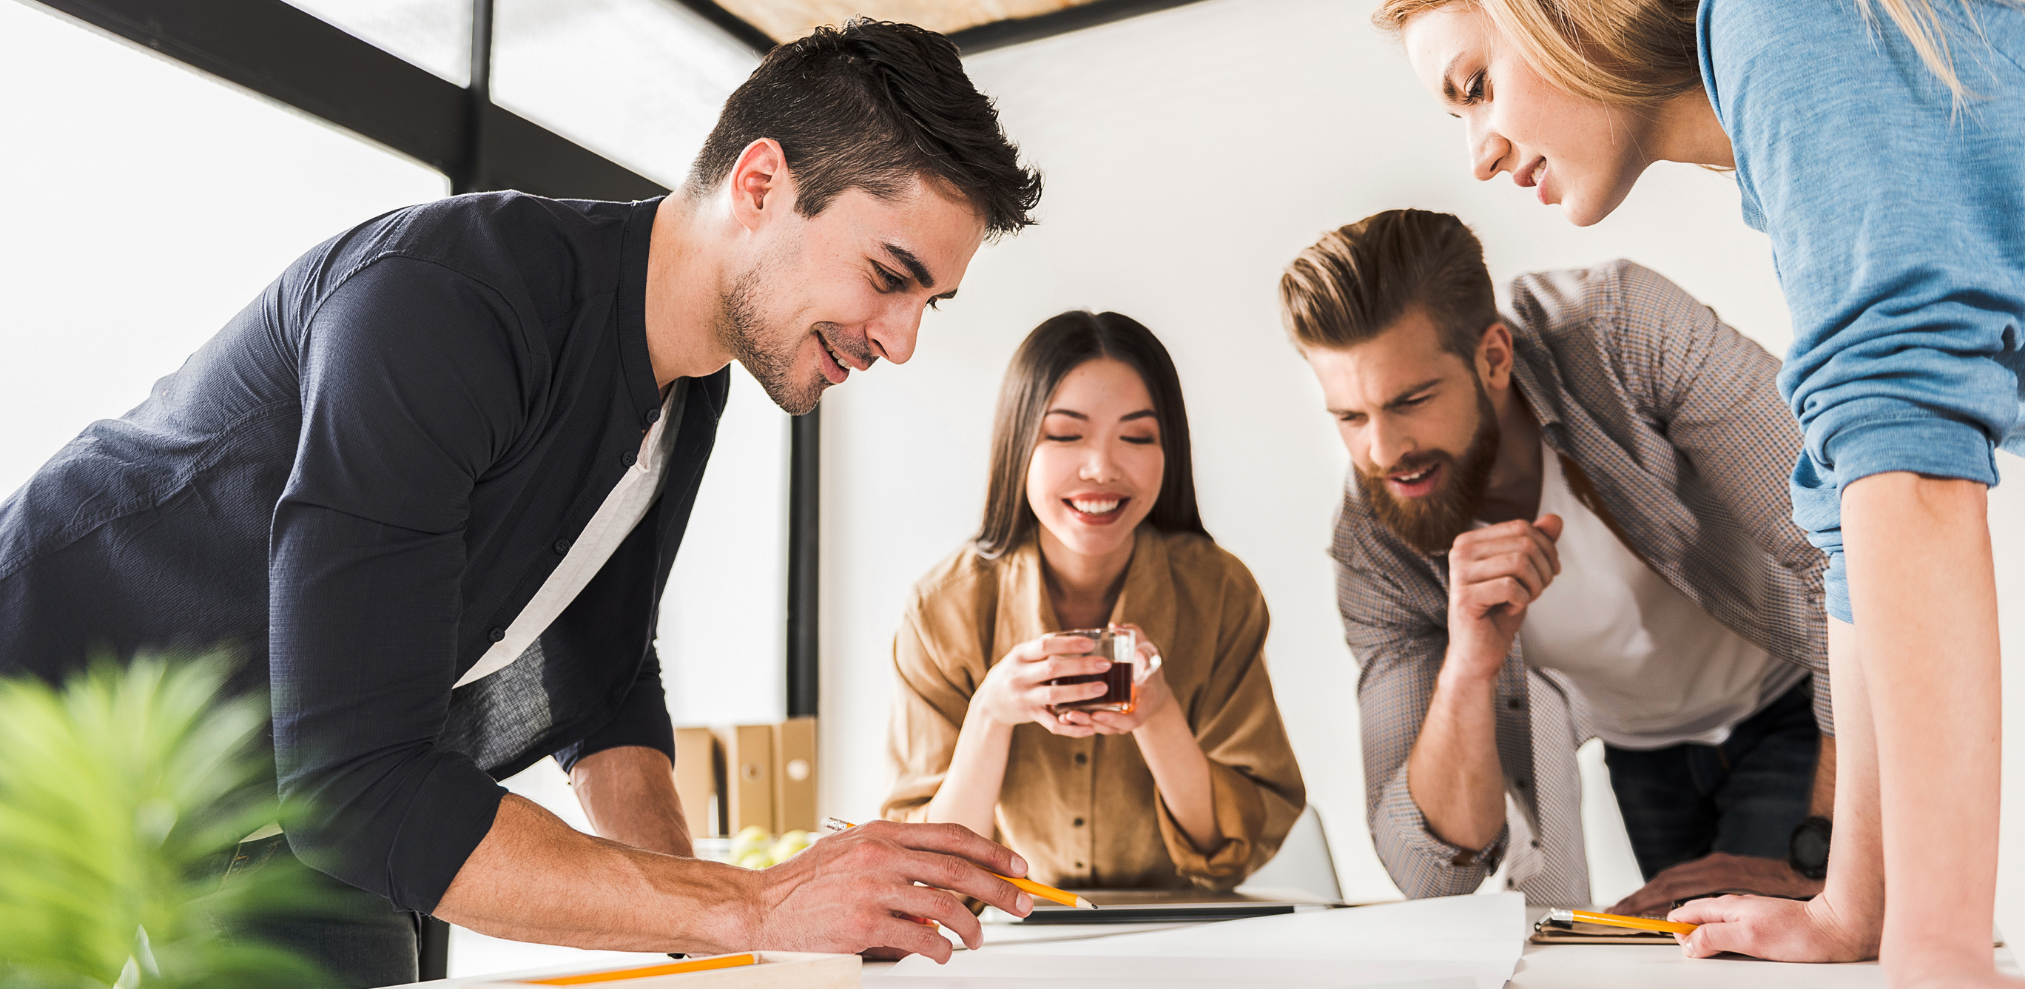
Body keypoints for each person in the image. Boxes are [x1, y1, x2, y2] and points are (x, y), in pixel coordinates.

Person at [0, 19, 1046, 987]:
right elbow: (360, 785)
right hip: (44, 727)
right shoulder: (445, 301)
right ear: (762, 182)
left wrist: (714, 946)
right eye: (889, 275)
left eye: (928, 305)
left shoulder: (692, 393)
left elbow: (602, 680)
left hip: (276, 813)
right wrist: (757, 899)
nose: (901, 339)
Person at [1378, 0, 2025, 981]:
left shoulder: (1785, 22)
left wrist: (1935, 957)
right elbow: (1854, 517)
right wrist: (1857, 906)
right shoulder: (1772, 115)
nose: (1478, 150)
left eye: (1474, 85)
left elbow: (1908, 466)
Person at [1283, 209, 1834, 913]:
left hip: (1795, 703)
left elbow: (1847, 550)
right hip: (1640, 751)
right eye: (1349, 418)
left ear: (1492, 357)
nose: (1383, 450)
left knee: (1767, 948)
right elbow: (1430, 872)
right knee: (1699, 952)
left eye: (1410, 401)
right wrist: (1468, 666)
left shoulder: (1617, 328)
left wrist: (1817, 847)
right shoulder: (1375, 538)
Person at [882, 311, 1305, 891]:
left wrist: (1157, 716)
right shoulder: (942, 610)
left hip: (1181, 939)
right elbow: (928, 876)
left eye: (1136, 436)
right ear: (1019, 444)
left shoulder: (1220, 592)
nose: (1102, 467)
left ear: (1169, 451)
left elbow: (1231, 849)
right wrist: (991, 713)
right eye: (1064, 434)